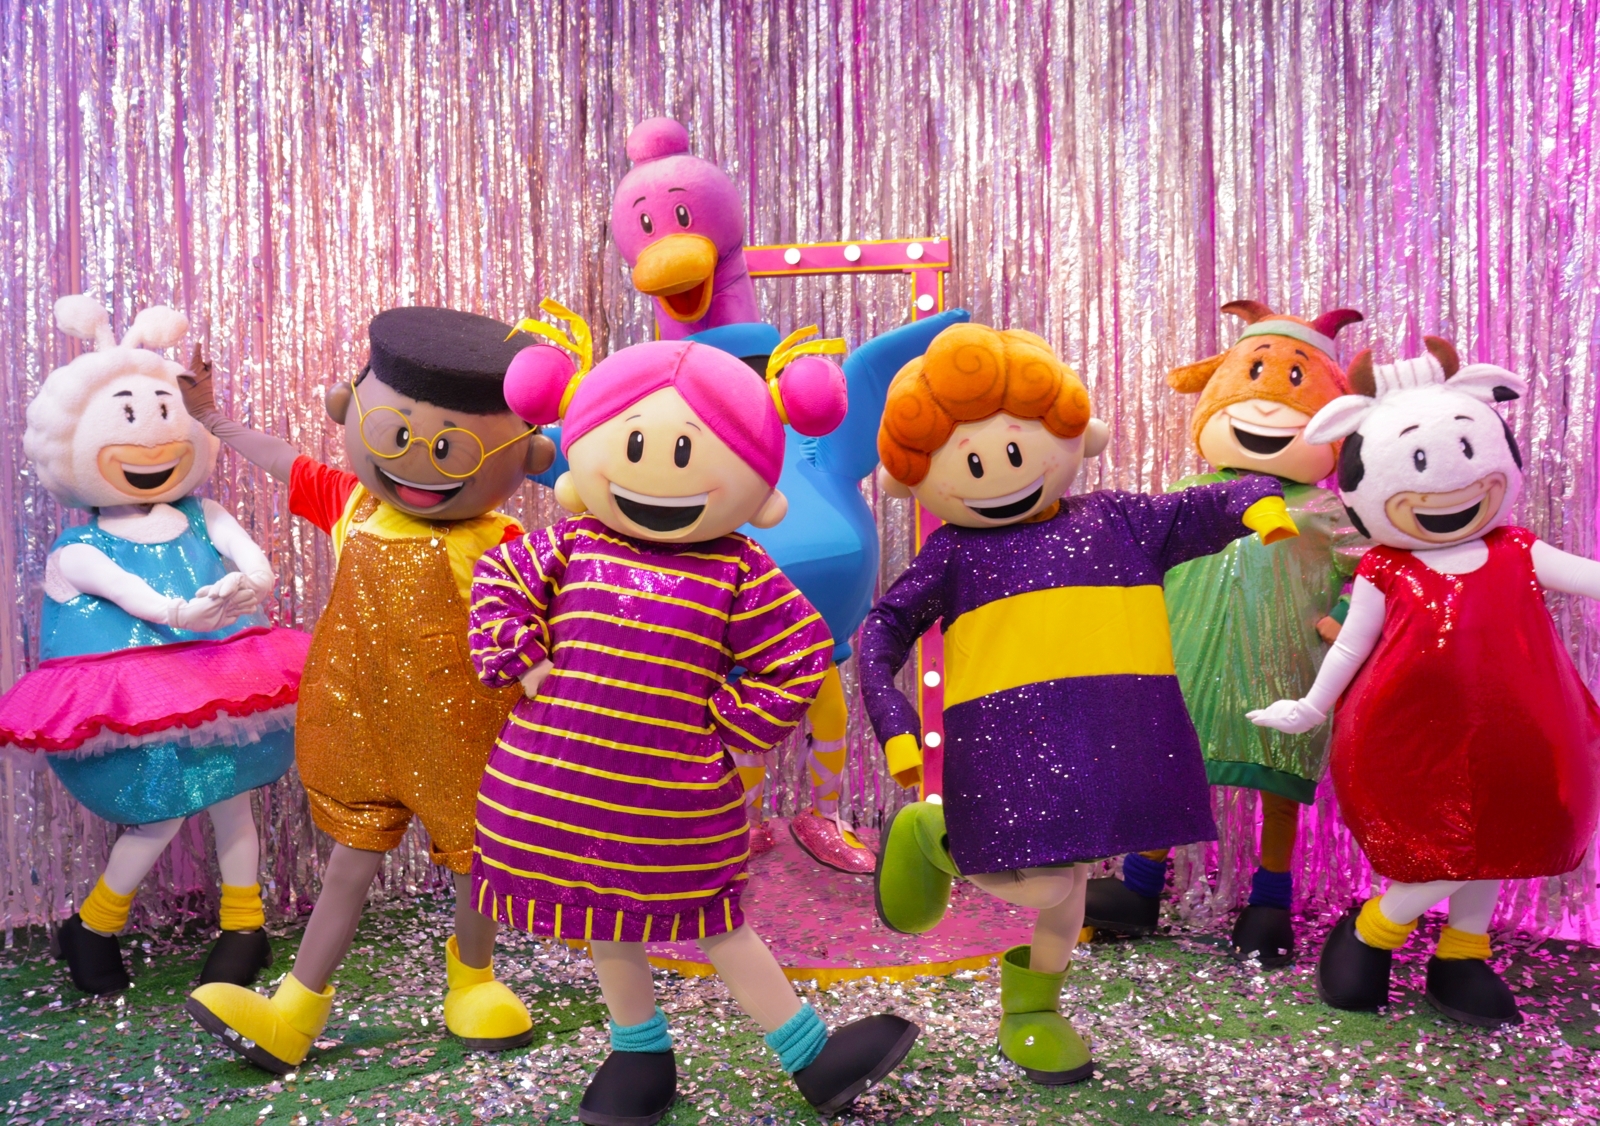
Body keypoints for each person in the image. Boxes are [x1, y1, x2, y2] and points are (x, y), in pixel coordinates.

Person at [481, 316, 920, 1125]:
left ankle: (811, 1056)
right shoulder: (571, 546)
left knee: (716, 918)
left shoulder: (737, 570)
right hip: (555, 785)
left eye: (689, 450)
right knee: (604, 919)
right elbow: (499, 580)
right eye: (634, 444)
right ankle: (638, 1051)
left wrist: (723, 726)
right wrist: (523, 656)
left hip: (672, 797)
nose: (658, 472)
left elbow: (799, 654)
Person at [859, 322, 1297, 1084]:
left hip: (1103, 747)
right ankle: (935, 837)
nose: (1001, 471)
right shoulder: (954, 553)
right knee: (1048, 885)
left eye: (1017, 447)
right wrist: (895, 725)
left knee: (1070, 892)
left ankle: (1033, 1012)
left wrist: (1255, 501)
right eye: (972, 462)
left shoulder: (1118, 519)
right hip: (1006, 753)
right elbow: (880, 633)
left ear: (1072, 433)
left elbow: (1201, 508)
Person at [181, 306, 556, 1073]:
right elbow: (283, 460)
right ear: (349, 409)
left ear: (526, 457)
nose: (419, 463)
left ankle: (474, 981)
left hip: (469, 743)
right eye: (397, 433)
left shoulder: (504, 543)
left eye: (450, 448)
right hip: (362, 732)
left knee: (475, 861)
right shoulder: (355, 505)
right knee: (350, 863)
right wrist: (212, 418)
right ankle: (294, 1010)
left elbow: (538, 627)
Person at [1250, 338, 1600, 1027]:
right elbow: (1352, 643)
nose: (1449, 485)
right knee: (1442, 847)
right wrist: (1312, 705)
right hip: (1411, 734)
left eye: (1469, 451)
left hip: (1520, 728)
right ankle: (1373, 929)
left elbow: (1590, 577)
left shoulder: (1518, 551)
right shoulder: (1386, 568)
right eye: (1413, 463)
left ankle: (1462, 954)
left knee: (1502, 837)